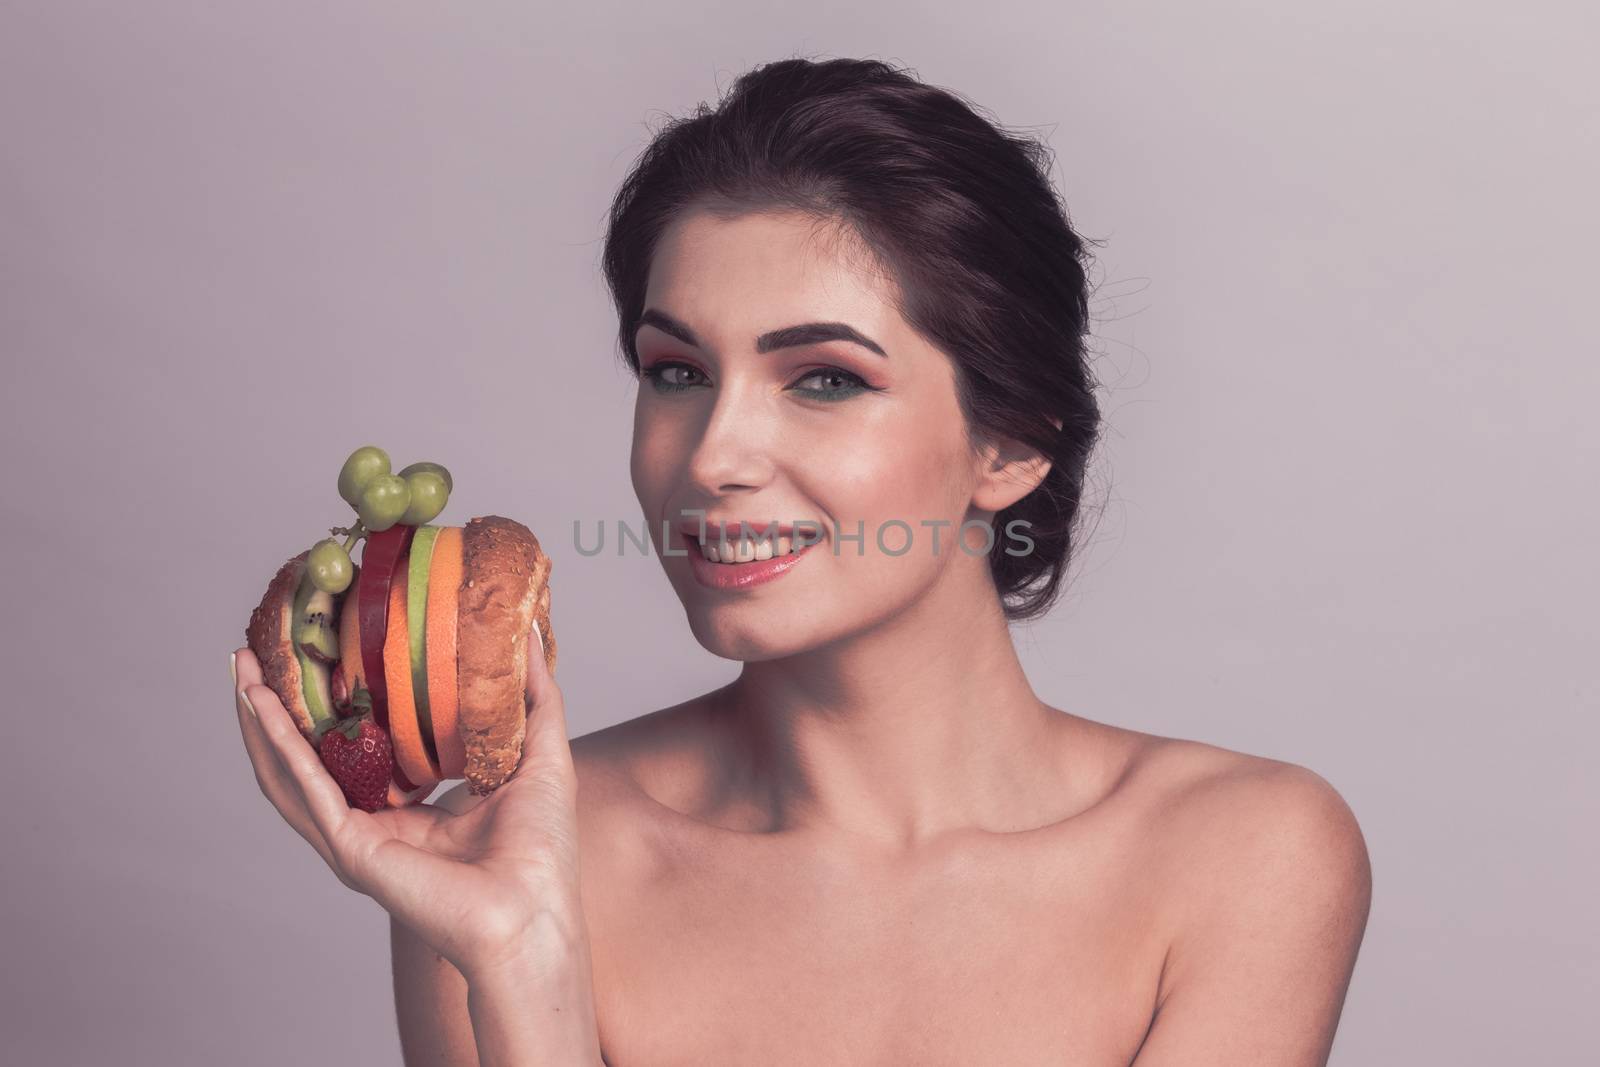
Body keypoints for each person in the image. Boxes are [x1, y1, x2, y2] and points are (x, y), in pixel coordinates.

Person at [233, 56, 1371, 1066]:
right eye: (675, 371)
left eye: (825, 378)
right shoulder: (507, 862)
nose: (713, 455)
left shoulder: (1244, 855)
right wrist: (522, 960)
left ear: (1010, 441)